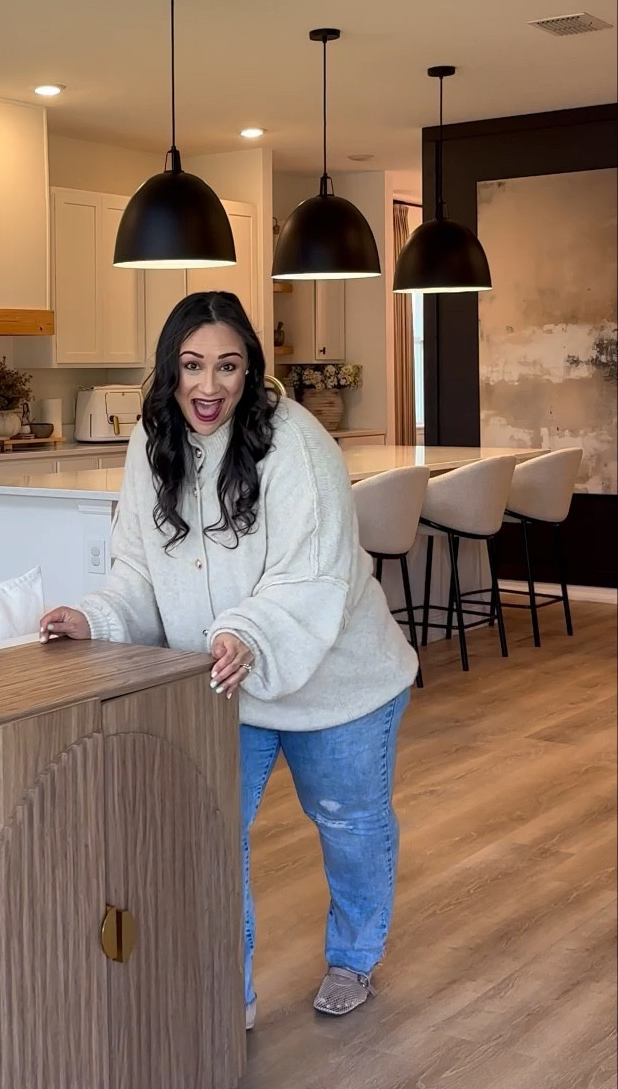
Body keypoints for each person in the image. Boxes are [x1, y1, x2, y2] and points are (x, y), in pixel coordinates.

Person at [41, 291, 418, 1024]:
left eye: (226, 367)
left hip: (339, 682)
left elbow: (310, 574)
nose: (207, 386)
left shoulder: (298, 444)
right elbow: (139, 571)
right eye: (191, 366)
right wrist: (94, 615)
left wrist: (247, 632)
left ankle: (354, 957)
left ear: (249, 371)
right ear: (169, 370)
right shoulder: (152, 447)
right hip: (225, 680)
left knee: (349, 824)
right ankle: (228, 991)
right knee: (211, 835)